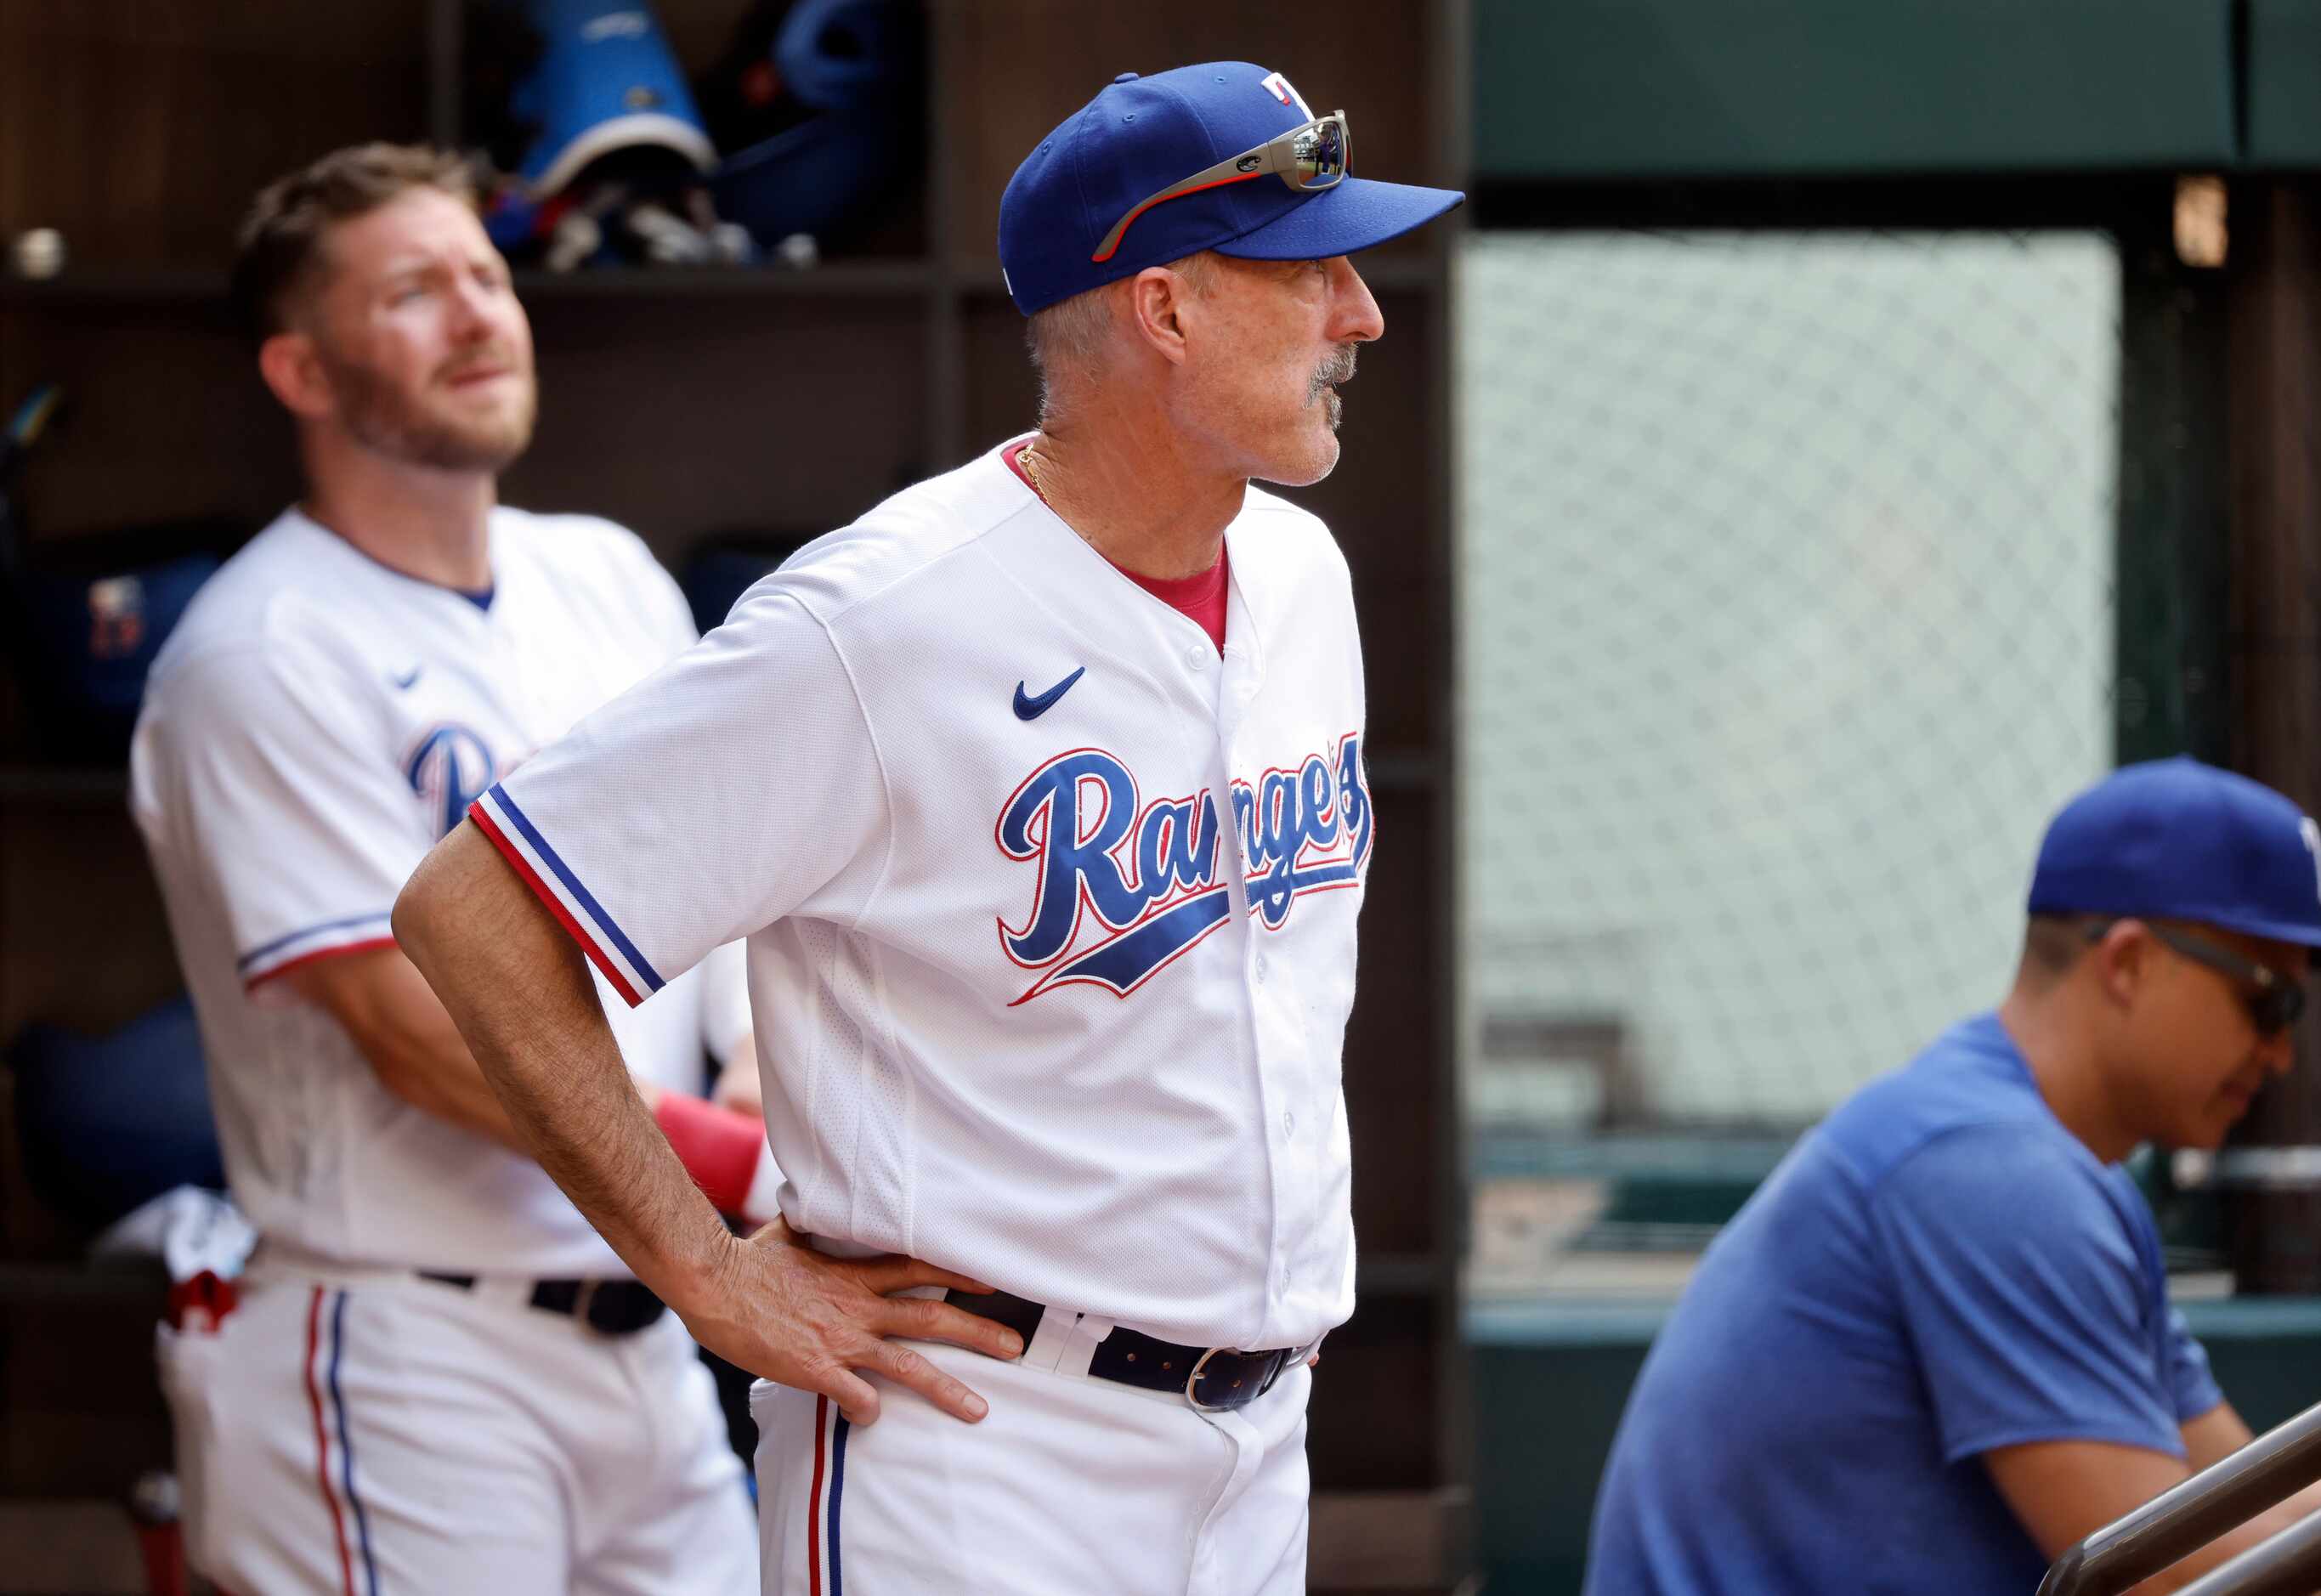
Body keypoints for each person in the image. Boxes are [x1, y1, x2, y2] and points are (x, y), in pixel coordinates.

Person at [390, 62, 1461, 1595]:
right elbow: (472, 910)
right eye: (1311, 272)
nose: (1359, 313)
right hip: (977, 1446)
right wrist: (704, 1269)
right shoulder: (879, 621)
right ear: (1164, 310)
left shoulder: (1300, 575)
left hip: (1256, 1445)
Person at [128, 143, 773, 1595]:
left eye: (487, 275)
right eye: (416, 291)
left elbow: (731, 881)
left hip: (650, 1323)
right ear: (301, 372)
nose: (481, 313)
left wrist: (757, 1064)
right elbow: (416, 1034)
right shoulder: (259, 648)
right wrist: (744, 1171)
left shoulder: (603, 574)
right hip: (411, 1348)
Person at [1583, 756, 2321, 1594]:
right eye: (2269, 1001)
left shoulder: (2052, 1171)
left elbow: (2255, 1514)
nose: (2280, 1052)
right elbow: (2163, 1581)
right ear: (2128, 964)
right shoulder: (1992, 1172)